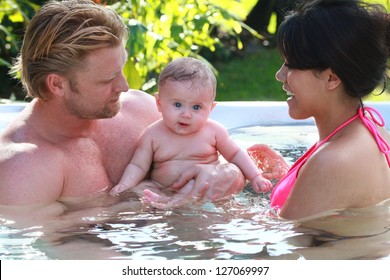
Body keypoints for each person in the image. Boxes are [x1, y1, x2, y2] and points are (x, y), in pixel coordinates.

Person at [0, 0, 246, 208]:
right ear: (57, 85)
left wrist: (229, 173)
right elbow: (60, 251)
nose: (125, 86)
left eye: (121, 69)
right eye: (107, 79)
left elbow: (216, 157)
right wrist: (133, 202)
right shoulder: (23, 170)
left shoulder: (140, 108)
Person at [249, 0, 390, 220]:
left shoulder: (333, 162)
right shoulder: (373, 130)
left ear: (332, 78)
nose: (280, 75)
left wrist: (215, 201)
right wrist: (291, 176)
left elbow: (286, 246)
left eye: (291, 65)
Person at [110, 57, 272, 207]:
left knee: (198, 186)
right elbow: (138, 166)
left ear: (210, 108)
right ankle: (165, 201)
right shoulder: (152, 134)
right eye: (178, 105)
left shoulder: (214, 131)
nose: (186, 114)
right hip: (162, 187)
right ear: (159, 103)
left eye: (196, 107)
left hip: (202, 188)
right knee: (142, 189)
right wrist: (125, 186)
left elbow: (236, 154)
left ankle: (172, 203)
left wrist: (255, 176)